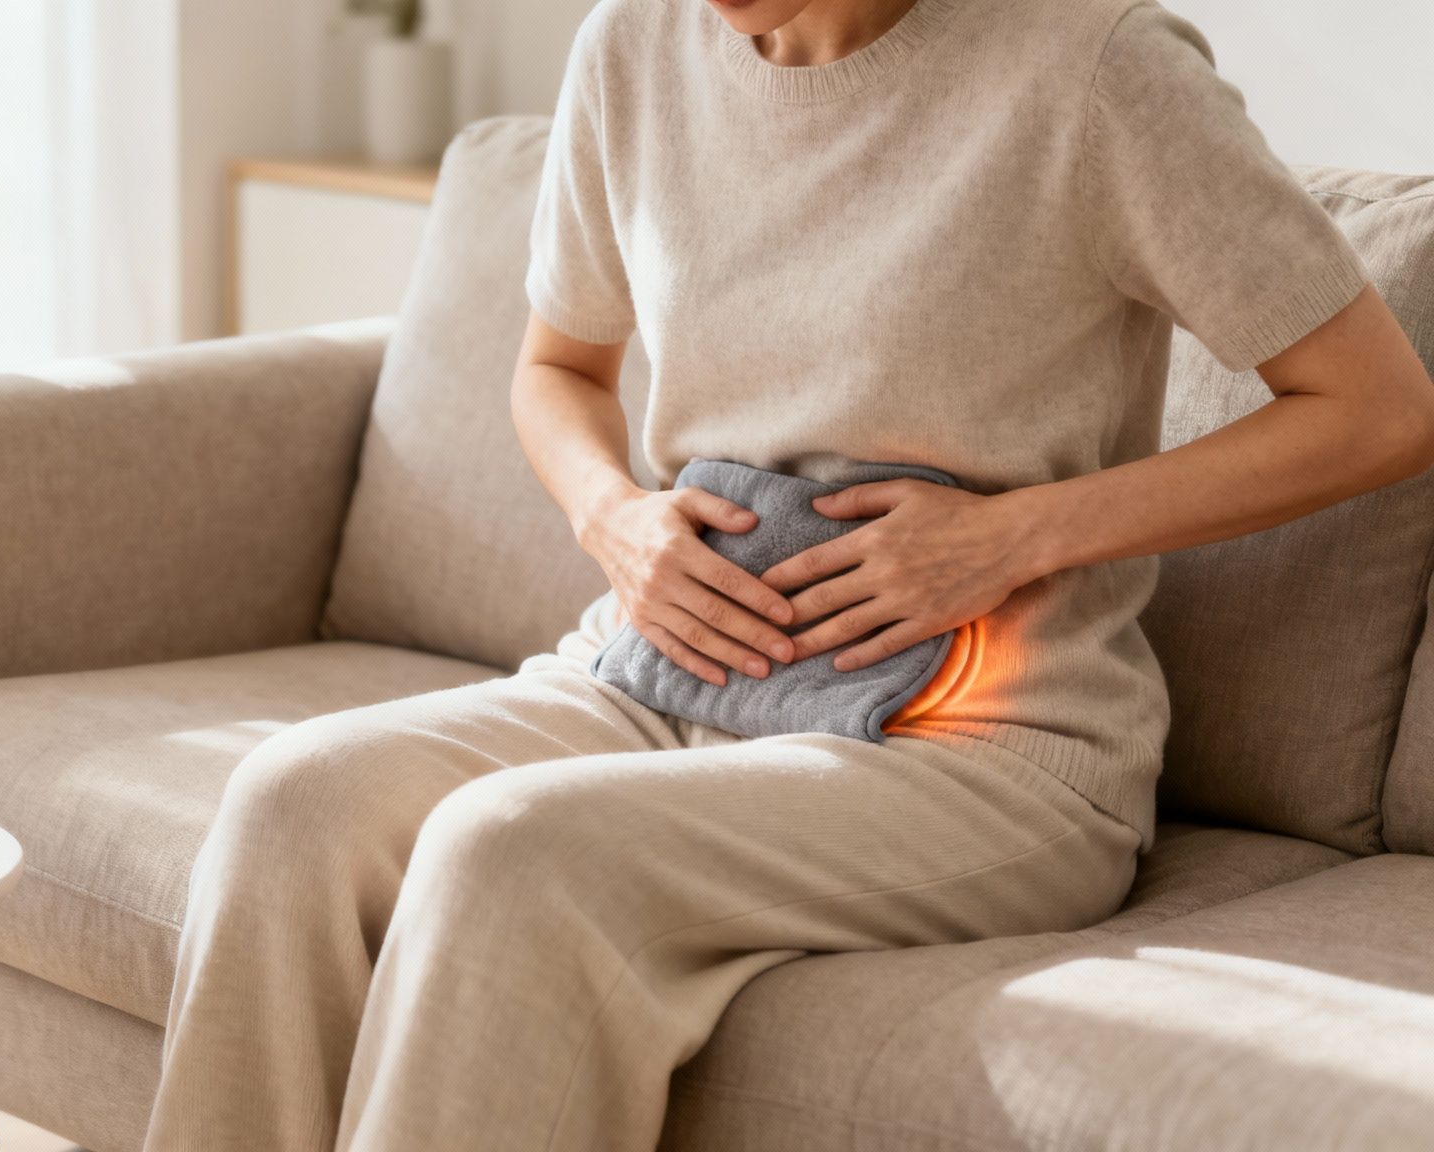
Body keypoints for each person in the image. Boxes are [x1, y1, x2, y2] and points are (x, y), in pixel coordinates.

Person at [142, 1, 1434, 1149]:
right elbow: (559, 370)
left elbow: (1378, 410)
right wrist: (616, 521)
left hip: (979, 750)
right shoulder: (633, 46)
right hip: (657, 674)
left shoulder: (1094, 66)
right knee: (294, 798)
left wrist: (1020, 532)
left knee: (516, 846)